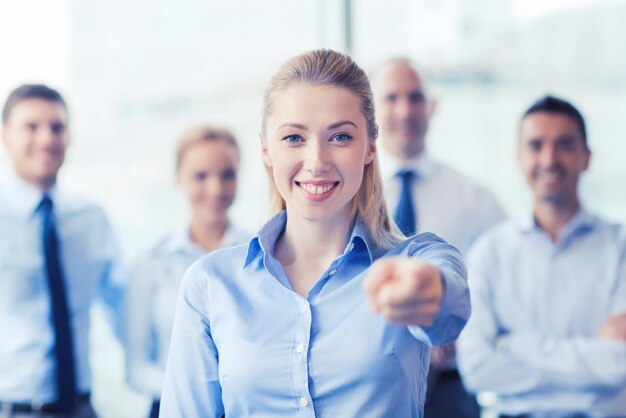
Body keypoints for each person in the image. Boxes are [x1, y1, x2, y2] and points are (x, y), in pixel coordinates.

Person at [159, 49, 471, 418]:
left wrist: (429, 293)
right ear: (265, 150)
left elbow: (450, 311)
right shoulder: (210, 284)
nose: (317, 162)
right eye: (293, 138)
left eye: (340, 137)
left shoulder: (417, 259)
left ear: (370, 147)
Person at [457, 95, 626, 417]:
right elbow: (477, 368)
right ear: (519, 158)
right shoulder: (488, 253)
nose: (549, 158)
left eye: (564, 144)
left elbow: (619, 365)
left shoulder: (621, 247)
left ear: (586, 157)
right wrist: (591, 366)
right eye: (536, 145)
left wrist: (514, 346)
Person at [373, 58, 505, 418]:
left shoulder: (476, 199)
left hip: (450, 388)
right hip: (370, 387)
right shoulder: (347, 197)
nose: (405, 109)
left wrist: (462, 333)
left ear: (432, 106)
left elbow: (502, 287)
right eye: (392, 97)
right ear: (371, 109)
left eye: (416, 97)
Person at [0, 84, 124, 418]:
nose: (46, 139)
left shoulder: (91, 218)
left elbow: (123, 310)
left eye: (57, 127)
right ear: (5, 135)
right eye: (31, 127)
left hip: (81, 408)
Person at [124, 125, 249, 418]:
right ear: (178, 177)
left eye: (227, 174)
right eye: (201, 176)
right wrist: (194, 394)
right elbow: (136, 367)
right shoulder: (150, 261)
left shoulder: (260, 254)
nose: (216, 188)